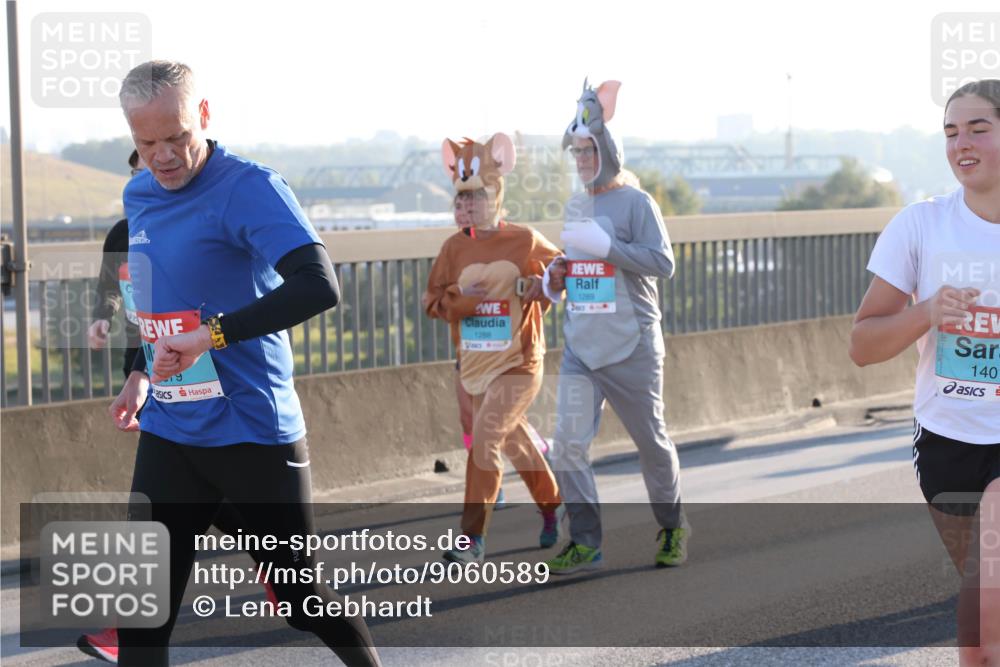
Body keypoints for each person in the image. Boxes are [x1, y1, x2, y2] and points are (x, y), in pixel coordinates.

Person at [108, 60, 380, 666]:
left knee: (302, 598)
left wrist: (213, 336)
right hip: (171, 432)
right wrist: (138, 371)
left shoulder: (249, 186)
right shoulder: (138, 194)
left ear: (203, 116)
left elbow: (318, 285)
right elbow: (152, 297)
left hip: (252, 434)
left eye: (176, 136)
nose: (163, 156)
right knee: (140, 616)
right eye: (146, 143)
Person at [849, 79, 1000, 666]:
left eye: (978, 129)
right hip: (947, 438)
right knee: (980, 636)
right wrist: (928, 310)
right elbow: (863, 346)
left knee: (986, 596)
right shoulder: (920, 225)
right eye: (951, 132)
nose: (961, 144)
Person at [543, 79, 689, 574]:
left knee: (652, 445)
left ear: (608, 150)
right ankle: (584, 539)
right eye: (577, 152)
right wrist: (556, 275)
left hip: (632, 347)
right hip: (583, 348)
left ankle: (672, 526)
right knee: (566, 444)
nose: (582, 160)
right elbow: (582, 269)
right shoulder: (575, 205)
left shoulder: (637, 203)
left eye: (589, 150)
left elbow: (663, 264)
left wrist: (608, 249)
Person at [425, 134, 563, 563]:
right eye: (459, 199)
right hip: (475, 366)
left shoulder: (525, 240)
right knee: (517, 444)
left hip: (520, 363)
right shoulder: (453, 248)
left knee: (484, 442)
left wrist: (540, 286)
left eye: (474, 197)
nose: (465, 206)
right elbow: (432, 303)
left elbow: (563, 274)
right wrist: (464, 299)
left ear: (496, 194)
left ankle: (472, 539)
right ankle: (554, 506)